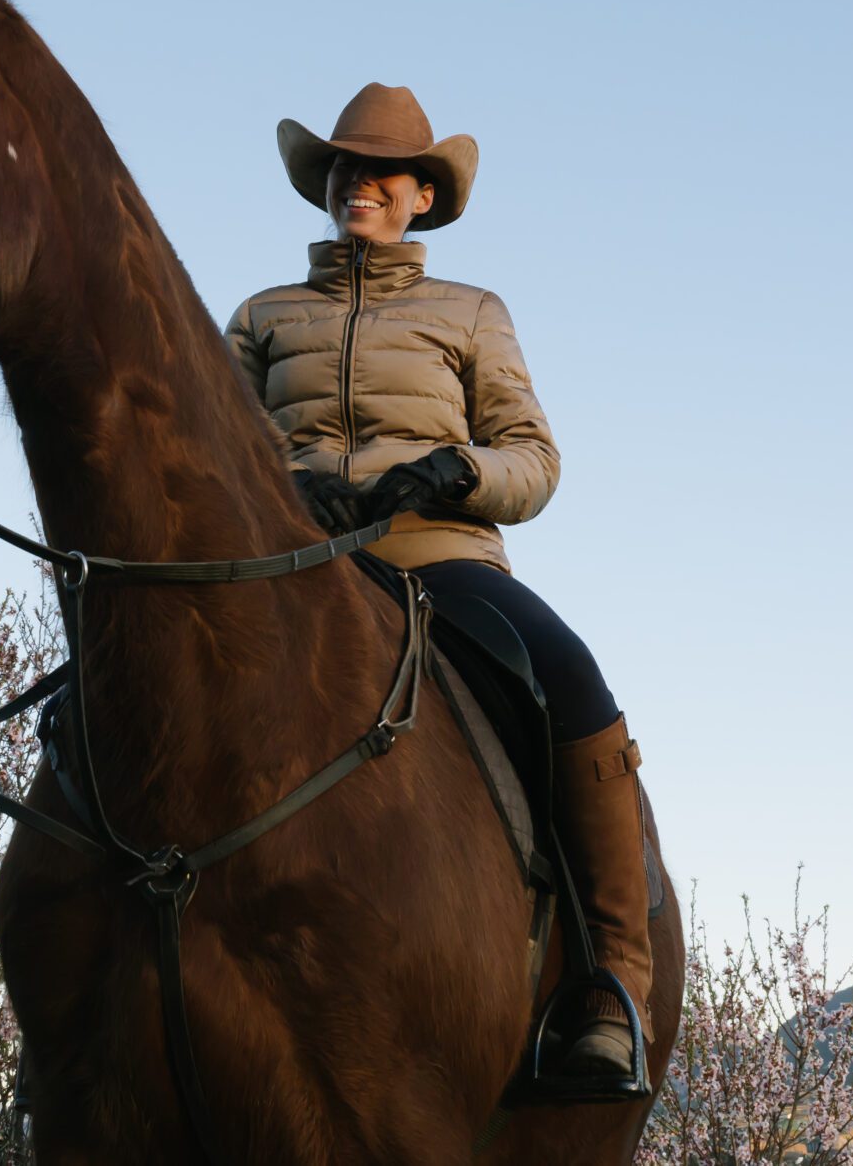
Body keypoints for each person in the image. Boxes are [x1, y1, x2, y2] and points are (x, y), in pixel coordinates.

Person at [222, 81, 652, 1089]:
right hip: (289, 564)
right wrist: (288, 487)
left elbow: (534, 462)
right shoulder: (259, 315)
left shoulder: (470, 313)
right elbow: (213, 450)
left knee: (572, 680)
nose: (357, 183)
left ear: (422, 196)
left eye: (381, 172)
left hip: (437, 555)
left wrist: (455, 472)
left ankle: (610, 980)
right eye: (342, 166)